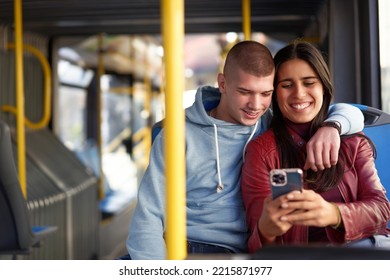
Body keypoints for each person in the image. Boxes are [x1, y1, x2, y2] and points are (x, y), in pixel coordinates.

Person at [126, 40, 365, 259]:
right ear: (222, 84)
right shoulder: (178, 135)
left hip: (244, 251)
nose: (256, 105)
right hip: (184, 246)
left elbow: (351, 112)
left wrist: (332, 127)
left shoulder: (270, 122)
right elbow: (149, 215)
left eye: (266, 94)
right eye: (244, 92)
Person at [241, 40, 390, 253]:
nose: (299, 94)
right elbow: (258, 244)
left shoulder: (352, 141)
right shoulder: (261, 151)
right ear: (274, 93)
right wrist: (267, 230)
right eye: (286, 85)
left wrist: (333, 214)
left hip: (363, 252)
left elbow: (381, 209)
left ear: (324, 87)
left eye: (309, 82)